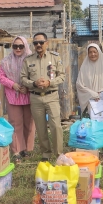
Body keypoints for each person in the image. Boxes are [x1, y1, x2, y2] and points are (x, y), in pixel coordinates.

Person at [21, 32, 65, 161]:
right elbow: (23, 78)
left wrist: (49, 82)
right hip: (35, 98)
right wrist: (33, 83)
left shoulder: (55, 57)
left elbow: (62, 76)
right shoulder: (28, 60)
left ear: (47, 43)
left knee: (56, 126)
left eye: (41, 42)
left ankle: (59, 154)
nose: (38, 45)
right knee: (40, 127)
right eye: (36, 43)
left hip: (51, 96)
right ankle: (46, 154)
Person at [0, 36, 35, 164]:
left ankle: (27, 149)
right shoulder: (5, 61)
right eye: (15, 46)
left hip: (29, 94)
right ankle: (17, 150)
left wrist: (27, 86)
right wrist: (13, 85)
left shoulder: (32, 59)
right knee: (15, 123)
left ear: (25, 46)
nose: (18, 49)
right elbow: (1, 77)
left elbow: (36, 75)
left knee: (29, 123)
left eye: (21, 46)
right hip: (13, 95)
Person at [76, 43, 103, 120]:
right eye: (90, 52)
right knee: (91, 124)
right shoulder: (84, 67)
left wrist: (100, 92)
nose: (92, 54)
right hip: (90, 100)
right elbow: (79, 84)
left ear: (99, 52)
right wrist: (93, 94)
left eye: (95, 52)